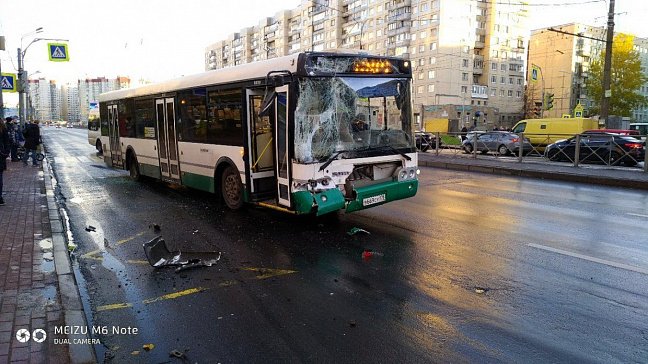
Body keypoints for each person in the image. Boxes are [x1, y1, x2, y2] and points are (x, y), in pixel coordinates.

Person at [0, 118, 9, 205]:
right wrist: (5, 153)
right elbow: (7, 142)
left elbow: (7, 142)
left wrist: (5, 153)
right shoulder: (3, 128)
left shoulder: (3, 128)